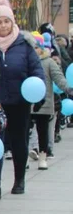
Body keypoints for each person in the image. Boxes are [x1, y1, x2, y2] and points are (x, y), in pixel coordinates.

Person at [0, 0, 43, 198]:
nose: (3, 25)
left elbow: (36, 70)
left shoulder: (24, 45)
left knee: (19, 142)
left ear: (12, 22)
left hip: (19, 102)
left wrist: (39, 91)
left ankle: (19, 180)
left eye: (6, 21)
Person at [26, 32, 72, 172]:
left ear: (41, 48)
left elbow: (59, 78)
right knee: (25, 131)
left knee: (43, 130)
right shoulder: (25, 62)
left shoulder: (48, 62)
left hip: (44, 102)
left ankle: (43, 156)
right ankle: (25, 156)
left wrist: (69, 89)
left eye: (36, 47)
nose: (34, 50)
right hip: (27, 103)